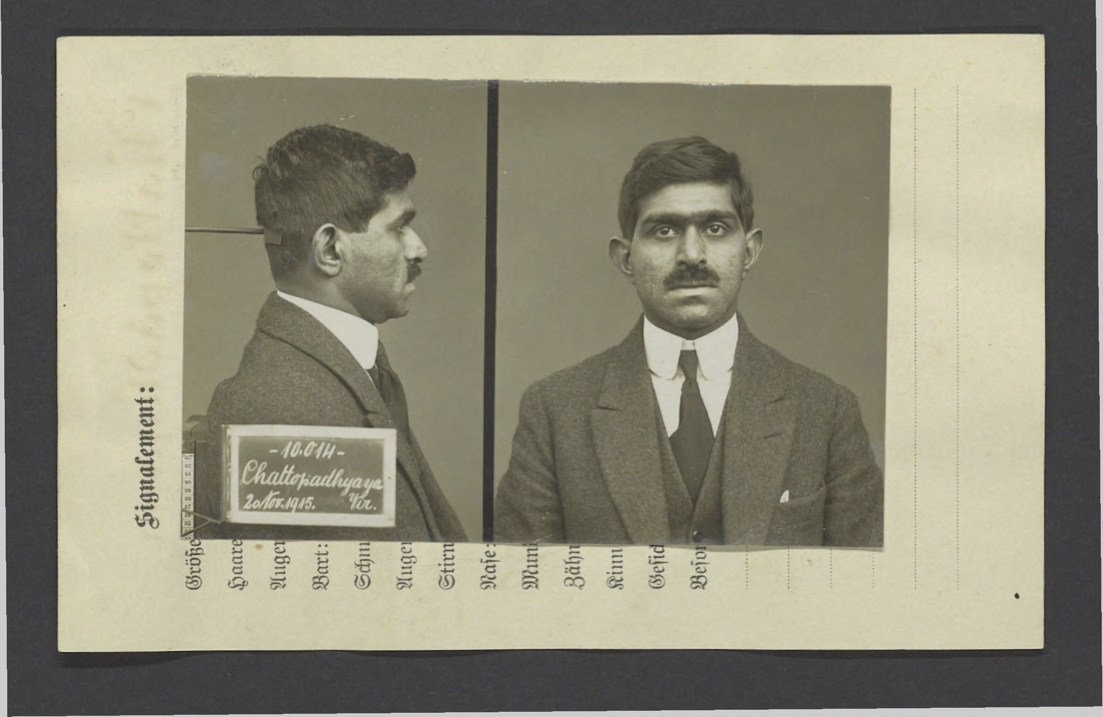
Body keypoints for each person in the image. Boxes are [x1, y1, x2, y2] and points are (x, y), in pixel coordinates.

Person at [495, 136, 882, 547]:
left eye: (716, 228)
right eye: (664, 230)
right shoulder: (554, 411)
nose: (692, 254)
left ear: (749, 251)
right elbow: (522, 579)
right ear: (626, 259)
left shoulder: (827, 410)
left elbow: (864, 580)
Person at [194, 124, 467, 541]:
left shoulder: (345, 370)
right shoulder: (282, 408)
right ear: (330, 250)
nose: (419, 248)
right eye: (398, 228)